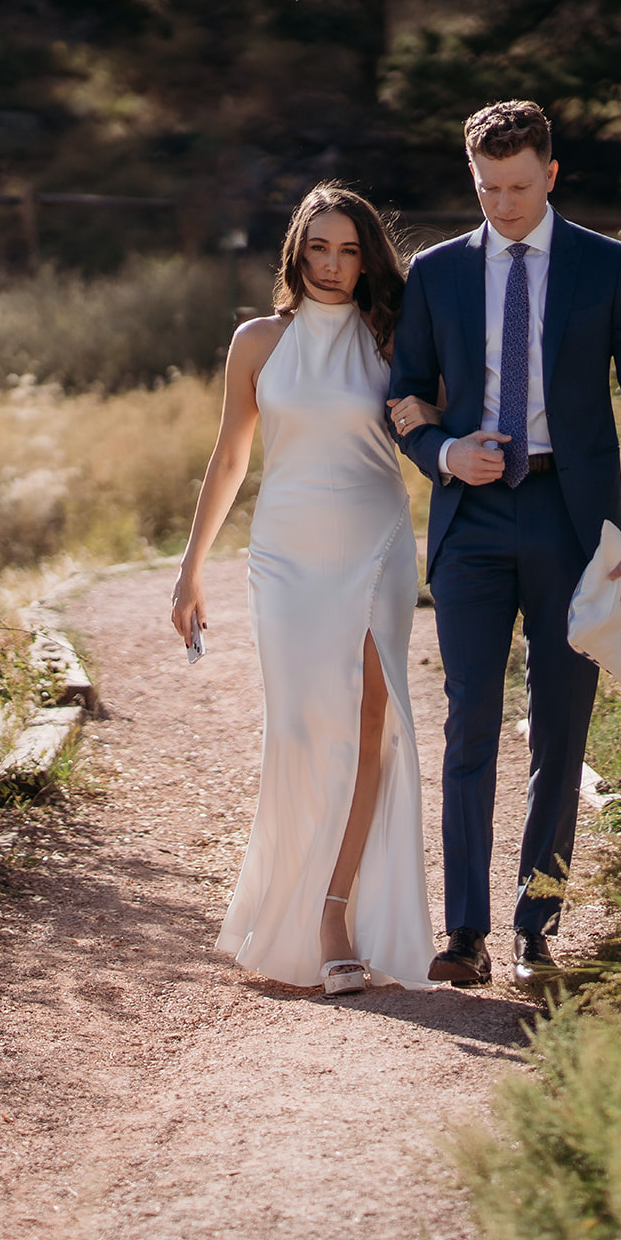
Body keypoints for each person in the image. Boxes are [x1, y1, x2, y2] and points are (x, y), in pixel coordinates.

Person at [388, 100, 621, 989]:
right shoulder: (435, 273)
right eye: (486, 188)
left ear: (550, 175)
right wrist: (443, 452)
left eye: (518, 186)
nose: (503, 204)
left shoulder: (607, 267)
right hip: (471, 525)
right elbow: (402, 392)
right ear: (469, 178)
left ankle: (536, 923)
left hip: (572, 522)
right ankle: (466, 931)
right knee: (469, 719)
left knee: (560, 729)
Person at [171, 185, 435, 995]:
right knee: (295, 727)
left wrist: (432, 409)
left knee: (368, 724)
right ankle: (288, 903)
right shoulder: (256, 342)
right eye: (319, 247)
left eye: (350, 250)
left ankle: (335, 913)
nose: (332, 265)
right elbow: (229, 459)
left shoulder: (393, 336)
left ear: (368, 259)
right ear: (295, 251)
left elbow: (439, 424)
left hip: (376, 544)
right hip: (284, 556)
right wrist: (190, 569)